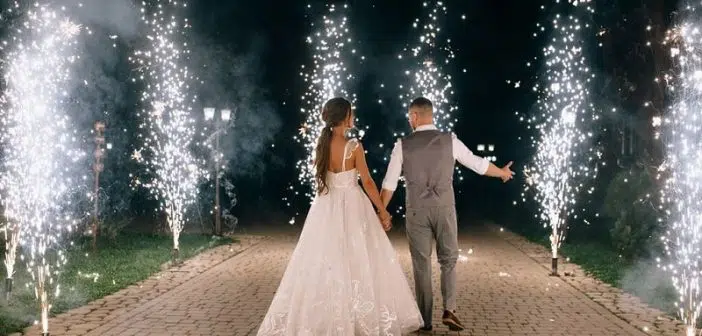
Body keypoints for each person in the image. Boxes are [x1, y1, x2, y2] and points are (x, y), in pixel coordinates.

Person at [257, 97, 423, 336]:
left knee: (327, 258)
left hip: (326, 206)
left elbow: (320, 176)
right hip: (353, 205)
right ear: (344, 117)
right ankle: (358, 318)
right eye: (351, 113)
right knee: (358, 257)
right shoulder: (354, 146)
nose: (353, 117)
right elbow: (366, 180)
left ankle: (324, 316)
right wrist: (383, 210)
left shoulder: (321, 143)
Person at [380, 97, 514, 332]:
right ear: (431, 115)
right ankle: (450, 309)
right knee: (448, 260)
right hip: (444, 208)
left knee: (421, 264)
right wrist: (501, 172)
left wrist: (382, 212)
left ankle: (425, 320)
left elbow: (389, 183)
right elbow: (477, 164)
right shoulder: (449, 140)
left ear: (414, 117)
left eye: (409, 116)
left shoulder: (402, 144)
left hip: (416, 211)